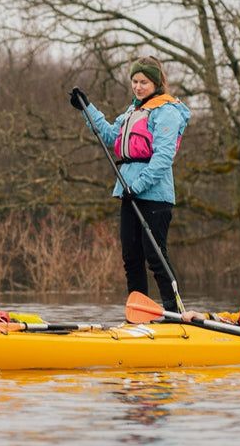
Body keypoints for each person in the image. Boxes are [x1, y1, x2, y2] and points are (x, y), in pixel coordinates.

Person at [69, 56, 191, 311]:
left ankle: (174, 312)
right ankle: (139, 312)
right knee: (131, 258)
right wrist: (86, 108)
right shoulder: (133, 110)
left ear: (156, 83)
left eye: (143, 82)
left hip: (154, 195)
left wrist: (138, 186)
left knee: (155, 256)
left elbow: (163, 158)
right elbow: (111, 134)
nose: (137, 87)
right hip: (128, 192)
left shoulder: (166, 111)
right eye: (134, 81)